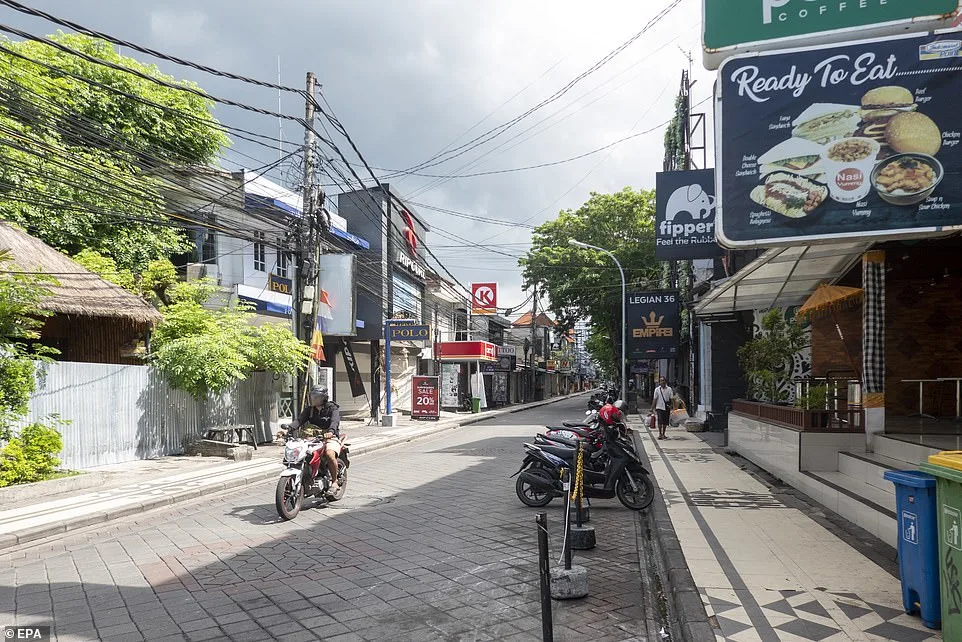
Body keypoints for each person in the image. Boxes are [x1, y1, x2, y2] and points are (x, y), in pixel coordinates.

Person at [291, 386, 342, 493]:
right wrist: (289, 429)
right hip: (312, 438)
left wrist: (331, 432)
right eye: (312, 396)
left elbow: (335, 421)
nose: (313, 398)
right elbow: (299, 420)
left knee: (329, 453)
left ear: (323, 398)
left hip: (329, 437)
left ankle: (334, 481)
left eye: (316, 396)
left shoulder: (332, 408)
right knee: (299, 453)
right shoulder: (309, 410)